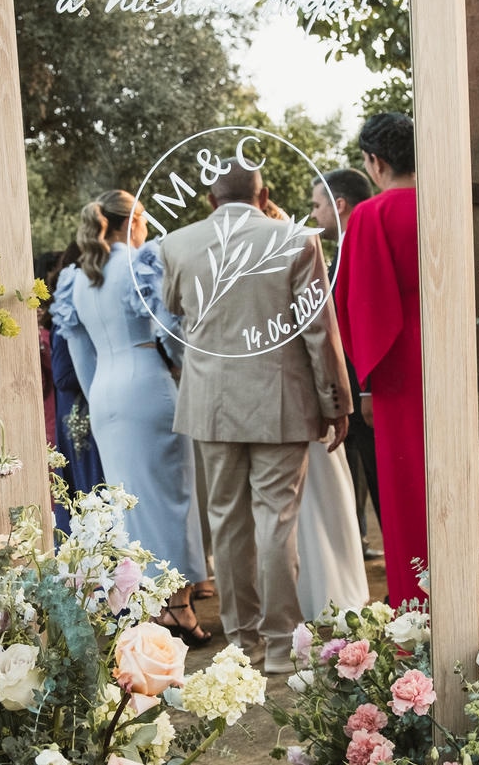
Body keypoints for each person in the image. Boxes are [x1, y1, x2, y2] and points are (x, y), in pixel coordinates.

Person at [154, 158, 351, 674]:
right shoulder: (297, 240)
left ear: (211, 201)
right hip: (280, 403)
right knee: (276, 521)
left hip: (211, 405)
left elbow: (174, 306)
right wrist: (337, 402)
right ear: (264, 197)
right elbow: (318, 331)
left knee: (227, 522)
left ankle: (242, 643)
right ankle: (282, 645)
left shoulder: (175, 244)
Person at [51, 191, 208, 643]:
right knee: (170, 496)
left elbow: (80, 354)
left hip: (104, 394)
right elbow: (170, 328)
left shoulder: (74, 279)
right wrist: (180, 364)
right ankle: (177, 608)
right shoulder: (141, 262)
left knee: (127, 504)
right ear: (133, 221)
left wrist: (100, 395)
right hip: (148, 384)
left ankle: (140, 606)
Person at [333, 112, 426, 609]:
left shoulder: (369, 216)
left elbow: (358, 306)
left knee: (406, 492)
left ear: (375, 161)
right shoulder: (444, 205)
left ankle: (414, 606)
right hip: (445, 361)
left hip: (397, 371)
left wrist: (365, 385)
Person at [310, 167, 380, 550]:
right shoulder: (341, 249)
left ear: (339, 204)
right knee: (356, 470)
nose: (315, 215)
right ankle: (358, 540)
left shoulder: (364, 245)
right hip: (348, 391)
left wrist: (366, 391)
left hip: (368, 391)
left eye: (318, 206)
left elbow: (366, 318)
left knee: (381, 480)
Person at [44, 243, 104, 529]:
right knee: (88, 494)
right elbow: (62, 375)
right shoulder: (67, 313)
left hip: (85, 412)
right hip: (79, 416)